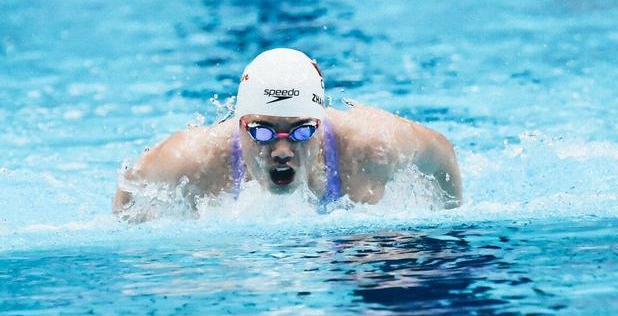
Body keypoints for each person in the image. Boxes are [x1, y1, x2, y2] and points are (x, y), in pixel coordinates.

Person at [113, 48, 462, 219]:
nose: (281, 150)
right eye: (263, 131)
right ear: (240, 124)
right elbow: (130, 188)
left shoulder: (370, 145)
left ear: (321, 124)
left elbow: (441, 152)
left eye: (300, 131)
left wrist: (448, 222)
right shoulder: (193, 159)